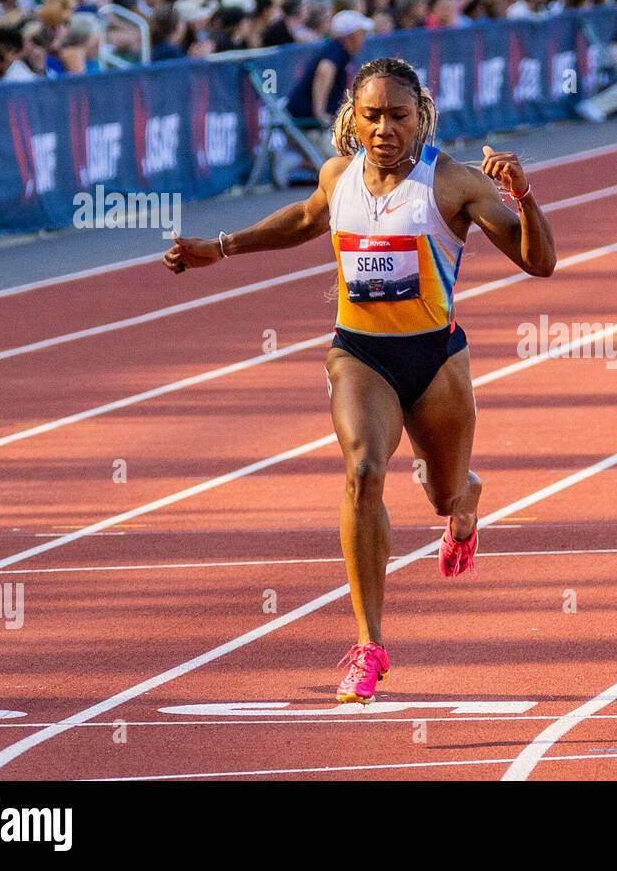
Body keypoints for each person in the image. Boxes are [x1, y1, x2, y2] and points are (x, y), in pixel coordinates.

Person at [162, 57, 557, 703]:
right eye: (371, 115)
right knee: (364, 471)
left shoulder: (452, 183)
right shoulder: (339, 174)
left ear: (420, 117)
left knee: (444, 493)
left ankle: (464, 504)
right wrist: (223, 246)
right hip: (360, 355)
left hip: (436, 362)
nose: (383, 129)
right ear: (354, 114)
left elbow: (540, 262)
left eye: (398, 116)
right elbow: (304, 218)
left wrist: (525, 195)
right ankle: (369, 644)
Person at [286, 9, 372, 131]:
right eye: (361, 33)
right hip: (304, 125)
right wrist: (320, 113)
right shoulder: (336, 51)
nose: (364, 38)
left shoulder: (342, 53)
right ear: (350, 36)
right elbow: (324, 71)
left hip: (307, 124)